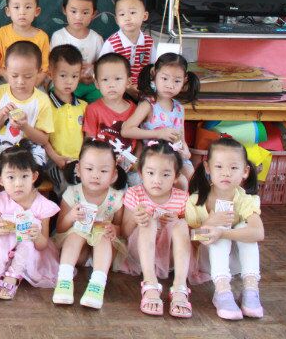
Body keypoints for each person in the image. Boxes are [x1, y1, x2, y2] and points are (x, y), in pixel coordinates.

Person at [186, 137, 265, 320]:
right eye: (219, 167)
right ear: (208, 168)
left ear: (245, 171)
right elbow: (190, 238)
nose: (226, 173)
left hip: (235, 263)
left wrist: (224, 232)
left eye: (234, 168)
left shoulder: (246, 200)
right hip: (205, 262)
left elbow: (258, 233)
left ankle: (251, 290)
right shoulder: (195, 201)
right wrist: (210, 224)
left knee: (244, 226)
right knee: (218, 228)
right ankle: (222, 292)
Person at [0, 145, 60, 301]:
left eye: (24, 176)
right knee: (0, 238)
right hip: (2, 253)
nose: (18, 183)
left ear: (34, 177)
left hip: (29, 256)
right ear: (0, 179)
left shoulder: (43, 206)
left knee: (27, 239)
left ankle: (13, 277)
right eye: (11, 177)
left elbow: (42, 244)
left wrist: (36, 235)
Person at [119, 141, 192, 318]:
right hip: (140, 253)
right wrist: (136, 219)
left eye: (166, 174)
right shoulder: (135, 194)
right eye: (150, 173)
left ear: (176, 176)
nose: (157, 180)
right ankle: (150, 283)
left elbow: (189, 234)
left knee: (181, 224)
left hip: (170, 257)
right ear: (140, 173)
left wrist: (177, 220)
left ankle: (180, 286)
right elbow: (125, 233)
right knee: (149, 221)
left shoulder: (182, 198)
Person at [52, 139, 127, 309]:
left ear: (114, 174)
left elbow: (120, 228)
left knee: (101, 235)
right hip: (78, 254)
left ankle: (97, 284)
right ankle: (64, 280)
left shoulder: (115, 198)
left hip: (102, 254)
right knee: (77, 232)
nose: (96, 175)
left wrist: (112, 229)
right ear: (78, 169)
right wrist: (71, 216)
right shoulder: (72, 193)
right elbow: (61, 227)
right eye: (89, 169)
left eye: (104, 170)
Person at [122, 53, 201, 188]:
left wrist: (186, 151)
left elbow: (181, 138)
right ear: (154, 74)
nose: (170, 85)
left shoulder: (179, 108)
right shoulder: (148, 104)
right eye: (164, 78)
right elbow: (126, 130)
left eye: (177, 81)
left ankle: (186, 202)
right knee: (181, 181)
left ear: (185, 80)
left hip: (175, 156)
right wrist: (158, 134)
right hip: (153, 158)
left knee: (192, 177)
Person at [0, 41, 54, 173]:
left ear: (38, 72)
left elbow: (43, 139)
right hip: (2, 151)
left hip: (30, 154)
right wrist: (1, 114)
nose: (20, 82)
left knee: (26, 173)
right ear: (5, 70)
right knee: (2, 173)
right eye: (14, 76)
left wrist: (25, 127)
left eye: (28, 76)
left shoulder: (42, 100)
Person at [43, 44, 88, 198]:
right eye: (63, 76)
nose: (69, 81)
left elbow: (87, 137)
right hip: (54, 161)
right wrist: (56, 158)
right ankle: (65, 212)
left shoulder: (83, 106)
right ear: (50, 73)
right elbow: (42, 139)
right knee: (68, 187)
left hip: (80, 161)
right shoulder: (45, 105)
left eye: (74, 76)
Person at [0, 0, 50, 84]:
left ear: (36, 11)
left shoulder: (42, 37)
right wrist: (5, 74)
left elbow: (45, 69)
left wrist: (35, 83)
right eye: (16, 7)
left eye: (28, 7)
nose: (22, 12)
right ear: (8, 11)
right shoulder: (1, 34)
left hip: (32, 82)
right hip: (5, 81)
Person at [49, 0, 103, 101]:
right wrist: (76, 76)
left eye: (85, 12)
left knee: (101, 96)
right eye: (73, 11)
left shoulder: (96, 39)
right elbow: (53, 65)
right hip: (65, 83)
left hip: (89, 84)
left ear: (93, 14)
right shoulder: (59, 37)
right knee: (57, 95)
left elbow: (101, 65)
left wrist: (93, 71)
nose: (78, 17)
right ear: (64, 10)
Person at [83, 53, 136, 174]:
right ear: (97, 84)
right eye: (105, 79)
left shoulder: (135, 110)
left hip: (128, 167)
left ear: (128, 82)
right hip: (100, 167)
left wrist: (136, 162)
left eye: (117, 79)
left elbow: (138, 142)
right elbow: (89, 141)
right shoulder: (93, 109)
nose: (111, 85)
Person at [98, 0, 154, 88]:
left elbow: (153, 67)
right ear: (117, 20)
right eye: (122, 14)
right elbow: (103, 69)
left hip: (143, 86)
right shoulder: (112, 43)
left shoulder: (148, 42)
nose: (127, 18)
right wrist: (127, 87)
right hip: (118, 87)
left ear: (144, 16)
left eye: (132, 12)